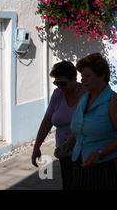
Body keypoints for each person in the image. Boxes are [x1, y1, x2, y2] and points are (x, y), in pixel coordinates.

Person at [56, 53, 117, 190]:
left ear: (101, 75)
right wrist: (66, 146)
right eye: (82, 76)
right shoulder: (84, 99)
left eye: (87, 76)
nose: (83, 80)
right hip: (80, 163)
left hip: (106, 167)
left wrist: (100, 153)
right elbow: (79, 129)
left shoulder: (114, 101)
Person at [32, 61, 86, 189]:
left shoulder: (86, 94)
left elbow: (81, 126)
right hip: (64, 154)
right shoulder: (58, 94)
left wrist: (66, 146)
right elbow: (47, 122)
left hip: (84, 152)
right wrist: (36, 147)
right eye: (56, 83)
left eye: (63, 83)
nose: (60, 86)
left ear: (74, 78)